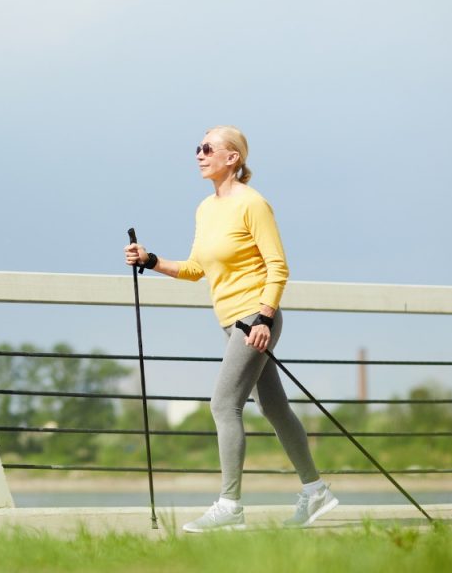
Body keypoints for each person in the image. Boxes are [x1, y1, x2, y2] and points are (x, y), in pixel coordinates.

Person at [124, 125, 338, 532]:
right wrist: (150, 260)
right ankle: (316, 491)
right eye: (197, 149)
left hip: (253, 320)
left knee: (223, 405)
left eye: (207, 148)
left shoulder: (253, 204)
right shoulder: (206, 209)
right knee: (274, 407)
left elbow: (278, 266)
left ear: (232, 158)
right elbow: (195, 269)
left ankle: (230, 505)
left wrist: (264, 317)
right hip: (231, 321)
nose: (199, 155)